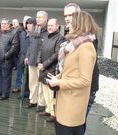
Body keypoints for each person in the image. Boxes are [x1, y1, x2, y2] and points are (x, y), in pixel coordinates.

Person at [47, 11, 99, 135]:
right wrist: (57, 77)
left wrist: (59, 82)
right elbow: (70, 71)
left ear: (80, 25)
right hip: (66, 102)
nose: (68, 26)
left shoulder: (85, 47)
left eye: (71, 23)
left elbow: (85, 80)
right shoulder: (75, 45)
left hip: (72, 105)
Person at [64, 3, 100, 132]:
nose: (68, 18)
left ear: (79, 17)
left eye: (71, 15)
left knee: (77, 124)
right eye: (66, 15)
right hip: (72, 86)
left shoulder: (87, 39)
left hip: (85, 89)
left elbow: (84, 75)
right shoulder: (74, 38)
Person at [37, 18, 65, 122]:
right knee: (45, 92)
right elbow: (40, 51)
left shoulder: (60, 38)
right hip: (43, 68)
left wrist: (44, 64)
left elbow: (56, 54)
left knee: (51, 93)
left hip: (52, 70)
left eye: (52, 25)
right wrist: (39, 62)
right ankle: (48, 110)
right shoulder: (46, 37)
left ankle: (54, 114)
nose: (49, 27)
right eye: (48, 25)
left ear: (57, 26)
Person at [25, 11, 48, 113]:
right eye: (37, 17)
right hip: (32, 60)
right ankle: (33, 100)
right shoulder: (34, 31)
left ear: (45, 19)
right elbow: (30, 45)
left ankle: (41, 103)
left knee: (42, 84)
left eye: (40, 17)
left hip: (41, 62)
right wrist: (27, 56)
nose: (38, 19)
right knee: (32, 82)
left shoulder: (48, 32)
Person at [11, 18, 27, 93]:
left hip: (28, 56)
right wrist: (16, 54)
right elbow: (16, 43)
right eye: (24, 21)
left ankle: (26, 90)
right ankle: (18, 86)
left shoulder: (33, 32)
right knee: (19, 72)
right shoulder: (19, 31)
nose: (26, 23)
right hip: (20, 55)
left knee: (27, 74)